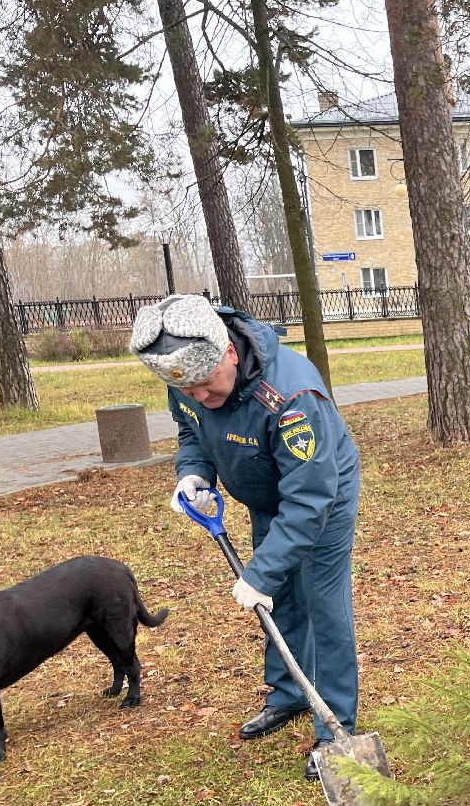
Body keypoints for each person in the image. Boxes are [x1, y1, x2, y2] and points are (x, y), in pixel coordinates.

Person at [131, 293, 362, 781]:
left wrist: (259, 573)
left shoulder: (293, 397)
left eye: (206, 384)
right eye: (187, 389)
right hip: (264, 492)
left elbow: (310, 501)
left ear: (230, 353)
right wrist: (193, 473)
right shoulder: (187, 377)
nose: (199, 396)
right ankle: (289, 693)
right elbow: (191, 430)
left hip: (321, 496)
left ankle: (335, 727)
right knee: (280, 597)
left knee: (323, 605)